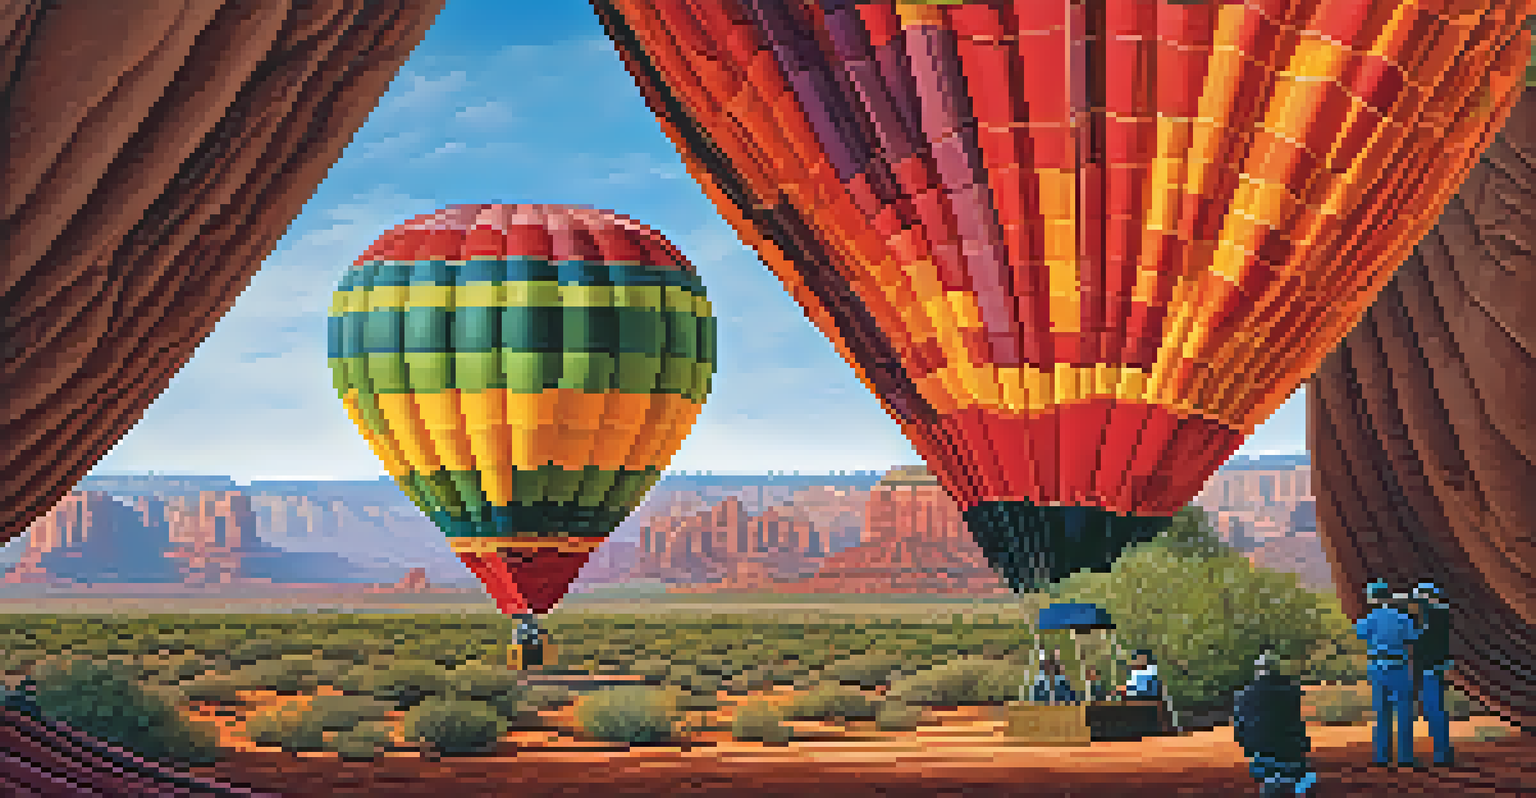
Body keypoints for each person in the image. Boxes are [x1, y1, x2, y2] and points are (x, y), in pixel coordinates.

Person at [1354, 579, 1420, 767]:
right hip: (1400, 668)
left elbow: (1359, 633)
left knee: (1382, 713)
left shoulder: (1370, 619)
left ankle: (1382, 757)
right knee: (1404, 713)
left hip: (1378, 668)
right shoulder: (1403, 618)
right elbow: (1413, 638)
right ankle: (1406, 757)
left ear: (1371, 598)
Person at [1234, 650, 1317, 797]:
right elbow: (1296, 725)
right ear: (1278, 669)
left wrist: (1250, 747)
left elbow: (1239, 731)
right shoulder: (1291, 691)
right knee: (1307, 780)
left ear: (1258, 670)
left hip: (1260, 757)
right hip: (1290, 755)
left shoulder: (1243, 695)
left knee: (1271, 780)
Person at [1409, 581, 1454, 766]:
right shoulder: (1440, 614)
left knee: (1433, 710)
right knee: (1434, 710)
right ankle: (1442, 752)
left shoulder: (1431, 616)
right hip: (1434, 668)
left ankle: (1442, 753)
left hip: (1428, 669)